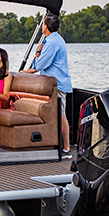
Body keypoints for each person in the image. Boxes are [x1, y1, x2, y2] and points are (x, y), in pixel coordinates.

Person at [20, 13, 73, 159]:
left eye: (43, 24)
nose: (42, 26)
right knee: (56, 115)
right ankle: (54, 145)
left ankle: (67, 149)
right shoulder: (52, 40)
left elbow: (42, 64)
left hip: (58, 84)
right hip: (52, 83)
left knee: (61, 116)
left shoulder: (53, 42)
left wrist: (27, 71)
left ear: (46, 26)